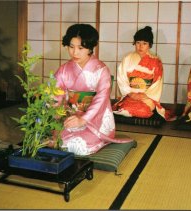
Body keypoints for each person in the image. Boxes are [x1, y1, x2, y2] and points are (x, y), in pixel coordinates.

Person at [54, 24, 132, 156]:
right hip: (70, 116)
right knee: (56, 141)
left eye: (80, 48)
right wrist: (55, 114)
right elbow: (55, 95)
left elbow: (101, 99)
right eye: (71, 47)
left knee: (78, 147)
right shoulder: (64, 70)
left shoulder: (101, 70)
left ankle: (100, 139)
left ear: (90, 47)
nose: (75, 52)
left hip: (94, 120)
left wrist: (83, 119)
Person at [113, 26, 172, 120]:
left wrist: (144, 95)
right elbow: (122, 78)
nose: (140, 46)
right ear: (134, 43)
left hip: (147, 96)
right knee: (124, 108)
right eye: (138, 43)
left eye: (144, 43)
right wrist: (130, 93)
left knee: (143, 110)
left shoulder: (156, 61)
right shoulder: (127, 58)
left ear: (150, 45)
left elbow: (157, 82)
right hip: (130, 94)